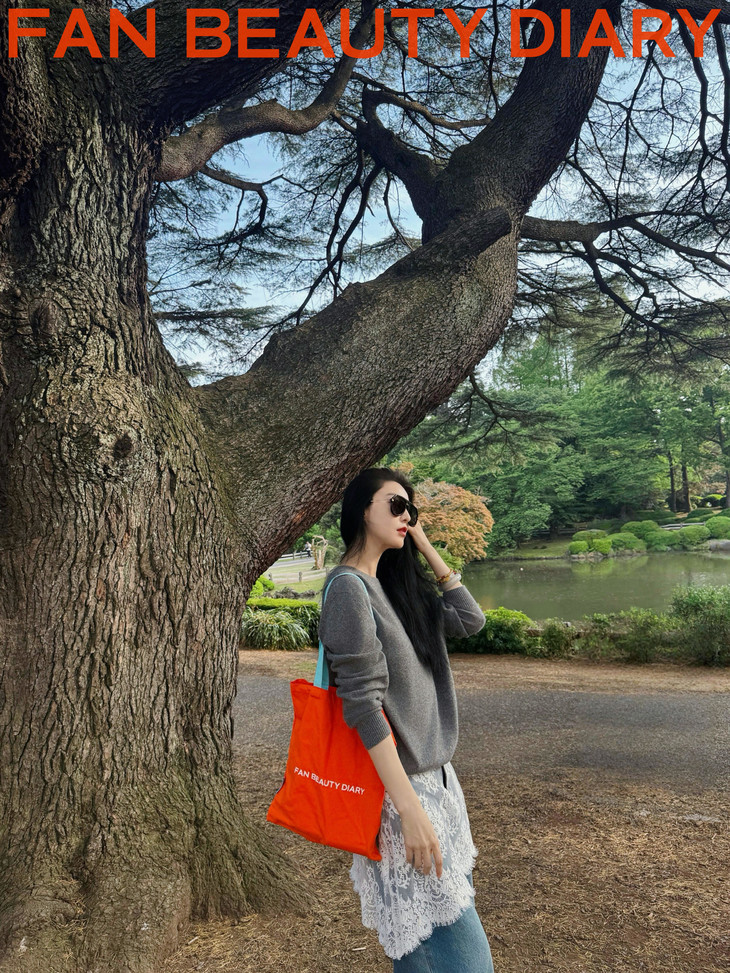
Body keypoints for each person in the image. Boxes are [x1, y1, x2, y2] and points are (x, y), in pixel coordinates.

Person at [318, 467, 496, 972]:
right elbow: (363, 706)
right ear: (362, 510)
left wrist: (422, 543)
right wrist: (408, 808)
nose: (406, 516)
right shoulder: (349, 589)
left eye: (410, 509)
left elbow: (471, 620)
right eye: (396, 506)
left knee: (429, 957)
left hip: (439, 786)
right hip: (403, 795)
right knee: (463, 961)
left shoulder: (395, 591)